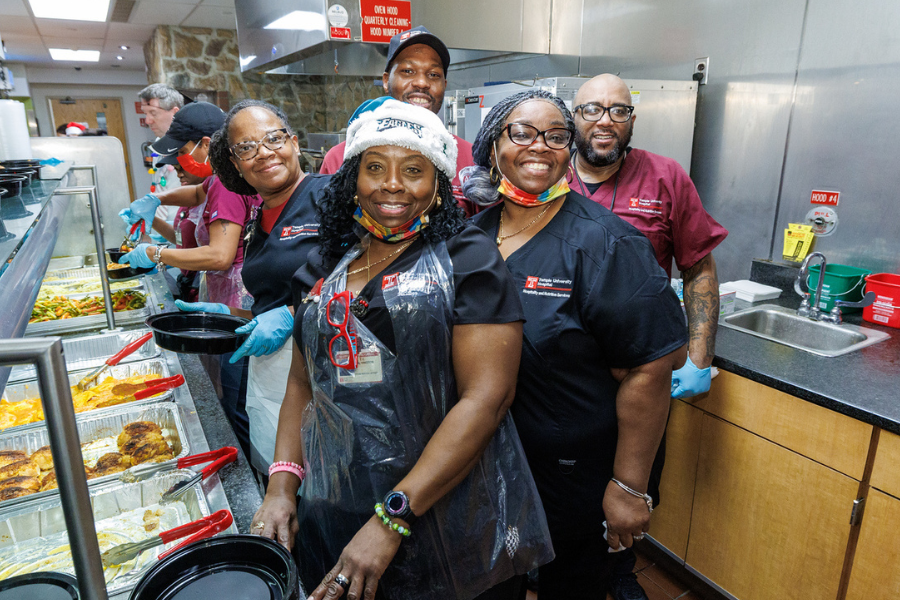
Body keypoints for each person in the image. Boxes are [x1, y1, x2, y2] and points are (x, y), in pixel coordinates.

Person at [252, 99, 552, 600]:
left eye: (413, 169)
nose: (392, 184)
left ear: (437, 184)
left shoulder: (469, 261)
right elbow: (304, 385)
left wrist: (391, 519)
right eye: (375, 167)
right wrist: (283, 485)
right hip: (339, 503)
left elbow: (487, 400)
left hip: (445, 507)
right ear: (352, 178)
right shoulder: (326, 262)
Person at [464, 89, 687, 599]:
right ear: (493, 146)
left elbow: (650, 368)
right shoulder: (473, 237)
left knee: (574, 587)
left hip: (575, 478)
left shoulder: (606, 243)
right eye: (521, 133)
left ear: (571, 150)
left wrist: (629, 487)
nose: (539, 146)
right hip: (490, 461)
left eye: (557, 135)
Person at [567, 74, 728, 600]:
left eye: (618, 111)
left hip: (640, 372)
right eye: (592, 109)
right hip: (560, 373)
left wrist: (699, 357)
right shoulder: (544, 176)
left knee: (635, 479)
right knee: (560, 480)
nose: (605, 121)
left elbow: (698, 269)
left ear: (632, 120)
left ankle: (619, 567)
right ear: (573, 117)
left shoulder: (666, 178)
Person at [185, 100, 327, 477]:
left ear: (294, 143)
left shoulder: (330, 197)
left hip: (328, 377)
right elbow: (275, 300)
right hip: (274, 375)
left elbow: (367, 284)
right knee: (281, 483)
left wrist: (292, 315)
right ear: (235, 164)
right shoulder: (256, 217)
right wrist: (231, 317)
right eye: (246, 148)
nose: (263, 153)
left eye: (273, 139)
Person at [118, 101, 259, 460]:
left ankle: (248, 472)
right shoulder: (218, 179)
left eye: (183, 151)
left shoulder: (227, 187)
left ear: (208, 145)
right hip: (227, 300)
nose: (180, 162)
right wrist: (155, 198)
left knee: (239, 400)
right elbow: (197, 193)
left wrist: (157, 254)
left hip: (239, 306)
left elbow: (219, 255)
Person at [318, 26, 480, 217]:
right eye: (408, 71)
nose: (421, 82)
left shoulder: (471, 159)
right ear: (386, 81)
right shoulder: (341, 156)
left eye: (433, 74)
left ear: (444, 85)